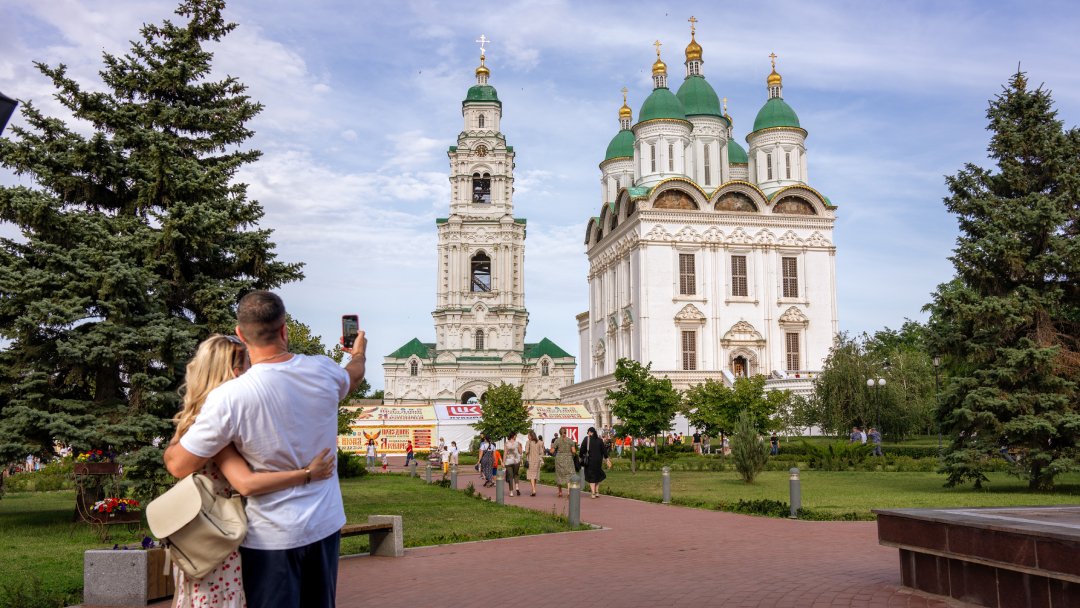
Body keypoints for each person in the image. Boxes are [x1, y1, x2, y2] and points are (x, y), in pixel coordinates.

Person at [165, 290, 368, 608]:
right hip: (325, 525)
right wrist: (358, 354)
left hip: (271, 537)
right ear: (284, 329)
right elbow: (353, 376)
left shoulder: (230, 397)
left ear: (241, 333)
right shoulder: (323, 370)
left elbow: (178, 465)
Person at [579, 427, 611, 499]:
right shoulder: (600, 440)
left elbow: (582, 449)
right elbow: (604, 450)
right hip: (598, 461)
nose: (587, 434)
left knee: (591, 476)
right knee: (597, 475)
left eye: (588, 432)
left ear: (590, 432)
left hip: (590, 460)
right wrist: (607, 459)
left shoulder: (586, 439)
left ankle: (593, 493)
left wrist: (580, 457)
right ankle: (597, 491)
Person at [552, 428, 577, 498]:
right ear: (566, 432)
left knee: (559, 475)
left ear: (559, 433)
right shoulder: (570, 440)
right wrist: (572, 454)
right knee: (569, 475)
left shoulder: (557, 441)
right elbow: (574, 451)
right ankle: (568, 492)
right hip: (568, 459)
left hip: (559, 459)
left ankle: (560, 492)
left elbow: (552, 451)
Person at [524, 430, 544, 496]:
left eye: (528, 435)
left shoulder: (528, 442)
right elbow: (541, 452)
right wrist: (540, 458)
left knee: (531, 475)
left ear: (531, 436)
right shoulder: (539, 442)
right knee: (535, 475)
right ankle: (534, 489)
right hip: (537, 460)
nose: (527, 436)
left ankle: (533, 489)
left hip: (530, 460)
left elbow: (526, 452)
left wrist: (527, 451)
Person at [503, 432, 522, 496]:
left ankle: (511, 492)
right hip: (516, 461)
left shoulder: (506, 443)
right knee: (516, 474)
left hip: (508, 461)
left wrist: (503, 462)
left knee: (510, 476)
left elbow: (505, 453)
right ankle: (517, 487)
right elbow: (520, 452)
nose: (516, 437)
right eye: (515, 436)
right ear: (513, 436)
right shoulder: (517, 443)